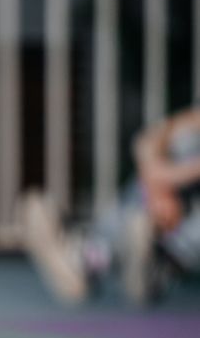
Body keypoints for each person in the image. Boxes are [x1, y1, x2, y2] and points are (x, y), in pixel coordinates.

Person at [22, 105, 200, 304]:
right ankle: (95, 255)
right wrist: (160, 186)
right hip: (159, 206)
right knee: (178, 149)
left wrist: (165, 179)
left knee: (154, 221)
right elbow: (148, 142)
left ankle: (107, 260)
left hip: (180, 233)